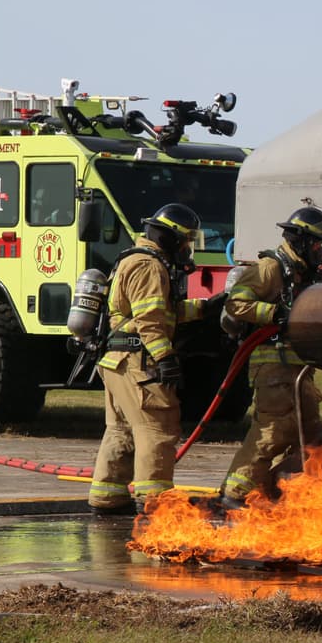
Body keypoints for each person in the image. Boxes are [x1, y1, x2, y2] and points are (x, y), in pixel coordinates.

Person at [88, 203, 223, 515]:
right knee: (157, 429)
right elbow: (150, 319)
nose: (188, 249)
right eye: (186, 241)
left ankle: (107, 497)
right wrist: (165, 358)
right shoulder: (149, 266)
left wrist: (204, 308)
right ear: (172, 239)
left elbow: (160, 312)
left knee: (121, 431)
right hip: (139, 363)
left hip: (117, 360)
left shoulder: (133, 258)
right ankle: (155, 505)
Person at [218, 205, 322, 509]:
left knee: (309, 435)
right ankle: (233, 495)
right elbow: (237, 302)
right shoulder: (271, 268)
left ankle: (295, 496)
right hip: (272, 368)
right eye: (316, 245)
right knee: (273, 432)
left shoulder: (306, 274)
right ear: (300, 241)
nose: (320, 253)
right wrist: (277, 313)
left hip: (299, 372)